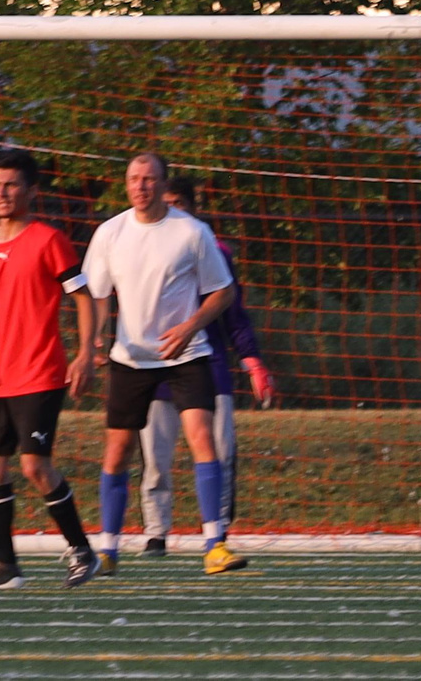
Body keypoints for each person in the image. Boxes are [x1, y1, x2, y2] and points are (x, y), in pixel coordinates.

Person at [0, 147, 103, 591]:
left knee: (34, 466)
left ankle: (82, 551)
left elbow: (83, 297)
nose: (2, 192)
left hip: (41, 373)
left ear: (31, 190)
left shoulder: (49, 241)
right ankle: (4, 564)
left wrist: (86, 352)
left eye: (11, 185)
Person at [79, 151, 246, 577]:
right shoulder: (110, 232)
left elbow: (222, 292)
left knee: (201, 439)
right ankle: (109, 550)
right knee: (117, 452)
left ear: (162, 184)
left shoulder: (191, 232)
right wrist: (95, 337)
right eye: (134, 178)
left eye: (149, 179)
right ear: (126, 183)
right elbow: (97, 293)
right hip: (130, 360)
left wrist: (191, 327)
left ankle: (215, 546)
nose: (141, 186)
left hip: (186, 355)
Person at [138, 174, 276, 558]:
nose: (172, 212)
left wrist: (252, 361)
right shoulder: (139, 248)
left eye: (179, 204)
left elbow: (234, 314)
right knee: (155, 458)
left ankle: (216, 531)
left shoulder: (213, 250)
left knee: (219, 451)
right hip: (156, 367)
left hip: (208, 366)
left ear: (192, 209)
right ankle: (155, 532)